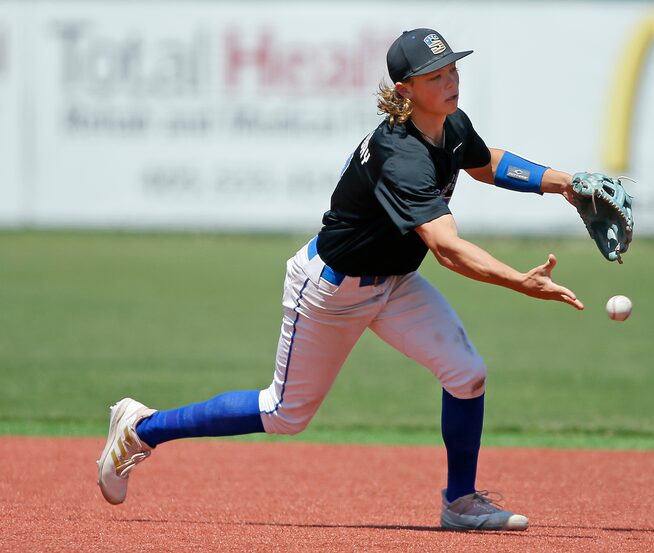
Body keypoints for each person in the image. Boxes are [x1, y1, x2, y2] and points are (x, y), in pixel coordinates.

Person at [97, 28, 585, 531]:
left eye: (453, 69)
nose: (451, 80)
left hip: (393, 282)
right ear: (404, 90)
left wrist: (564, 183)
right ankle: (141, 428)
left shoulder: (450, 124)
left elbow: (487, 165)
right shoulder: (402, 156)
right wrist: (519, 282)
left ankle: (460, 502)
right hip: (331, 291)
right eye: (435, 76)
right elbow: (448, 250)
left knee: (467, 374)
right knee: (285, 413)